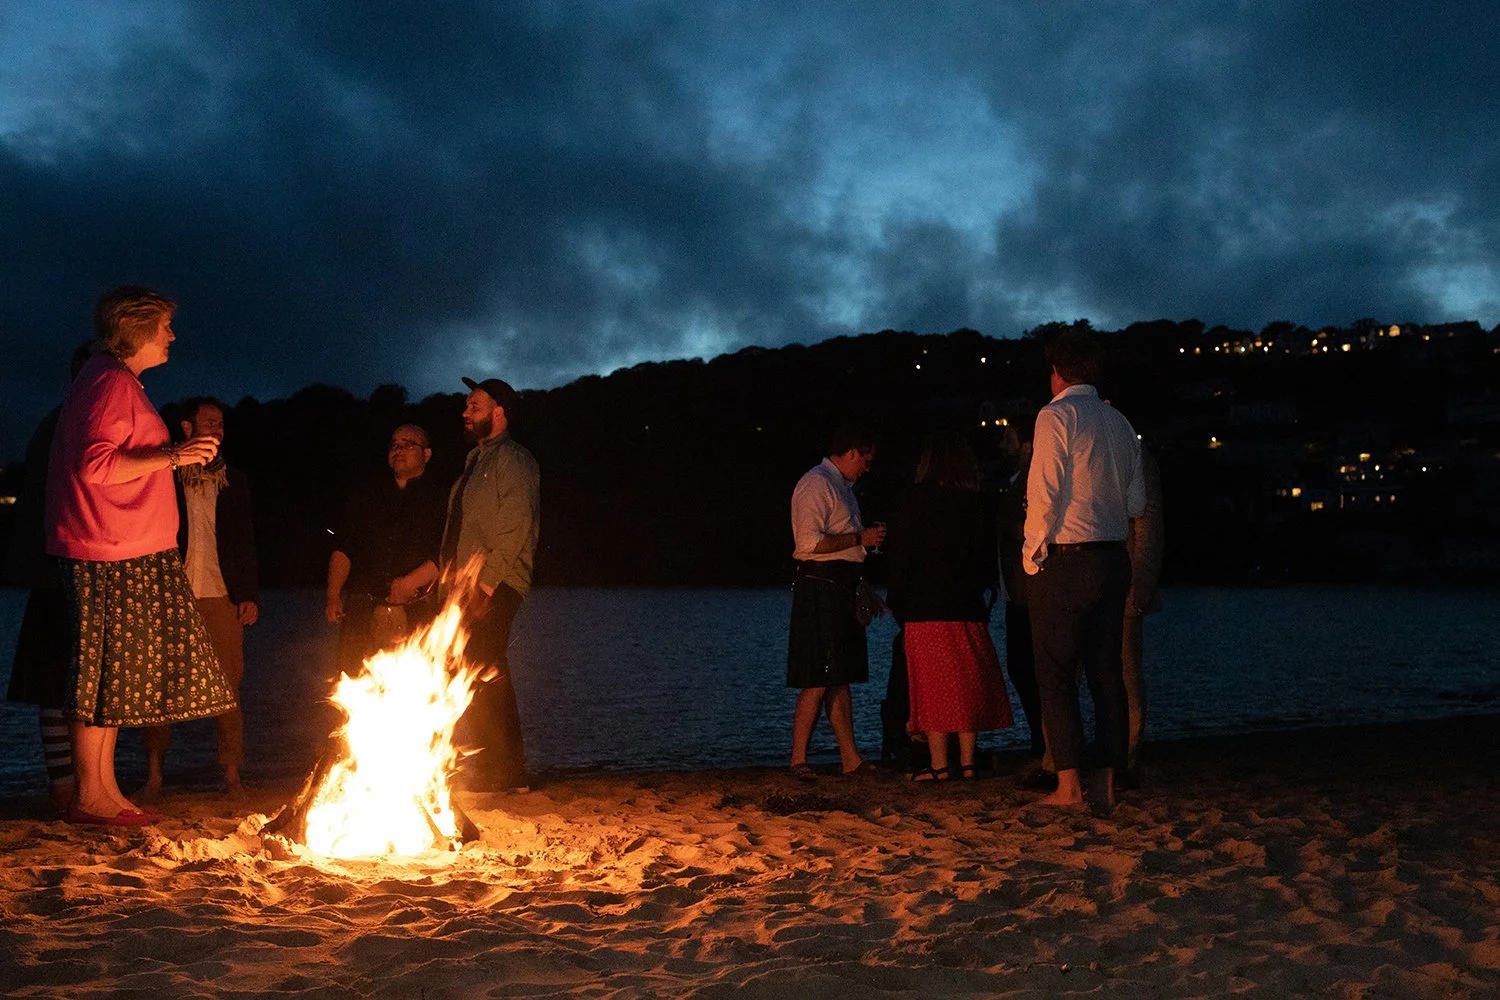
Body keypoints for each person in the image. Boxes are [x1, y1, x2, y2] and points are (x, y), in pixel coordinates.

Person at [45, 286, 237, 826]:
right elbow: (95, 466)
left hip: (122, 545)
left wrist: (173, 457)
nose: (172, 336)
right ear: (137, 329)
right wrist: (173, 455)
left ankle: (103, 790)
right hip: (108, 547)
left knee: (114, 672)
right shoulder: (108, 381)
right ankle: (91, 795)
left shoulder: (112, 380)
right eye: (165, 327)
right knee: (101, 670)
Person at [1023, 330, 1145, 814]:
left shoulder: (1055, 416)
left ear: (1057, 373)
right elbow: (1136, 501)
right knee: (1106, 675)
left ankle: (1069, 787)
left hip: (1068, 558)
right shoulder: (1119, 422)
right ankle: (1107, 786)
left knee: (1054, 674)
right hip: (1112, 557)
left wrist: (1032, 553)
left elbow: (1045, 489)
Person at [141, 397, 259, 799]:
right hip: (172, 592)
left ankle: (231, 776)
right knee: (159, 686)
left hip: (220, 594)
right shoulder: (163, 475)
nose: (218, 430)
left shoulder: (234, 480)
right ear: (187, 429)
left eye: (222, 424)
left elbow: (244, 541)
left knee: (229, 686)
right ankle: (155, 775)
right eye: (209, 422)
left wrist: (249, 595)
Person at [885, 433, 1011, 780]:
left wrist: (897, 600)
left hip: (925, 607)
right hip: (967, 606)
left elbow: (901, 558)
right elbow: (988, 560)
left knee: (932, 687)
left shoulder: (913, 501)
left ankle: (939, 765)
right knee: (964, 683)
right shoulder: (976, 503)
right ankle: (968, 762)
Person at [4, 342, 94, 814]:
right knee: (63, 683)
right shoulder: (72, 421)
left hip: (53, 568)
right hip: (63, 568)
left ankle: (71, 786)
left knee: (58, 683)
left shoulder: (59, 420)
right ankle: (69, 787)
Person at [441, 377, 540, 792]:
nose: (466, 412)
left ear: (499, 411)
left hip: (493, 582)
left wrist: (486, 582)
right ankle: (496, 769)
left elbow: (515, 524)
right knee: (472, 669)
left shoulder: (513, 460)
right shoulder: (475, 460)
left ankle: (507, 771)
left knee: (485, 665)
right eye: (467, 405)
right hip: (466, 582)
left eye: (475, 405)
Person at [786, 422, 887, 779]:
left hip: (839, 586)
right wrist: (861, 537)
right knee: (817, 675)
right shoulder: (816, 484)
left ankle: (850, 759)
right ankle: (798, 760)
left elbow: (842, 548)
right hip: (820, 588)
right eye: (866, 460)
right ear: (852, 453)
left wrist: (865, 588)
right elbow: (809, 545)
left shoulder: (841, 488)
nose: (867, 468)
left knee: (838, 675)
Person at [325, 423, 447, 674]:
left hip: (417, 611)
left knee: (415, 689)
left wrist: (409, 583)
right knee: (354, 683)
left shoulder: (442, 497)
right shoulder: (366, 495)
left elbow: (447, 551)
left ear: (427, 454)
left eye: (408, 444)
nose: (398, 449)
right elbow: (344, 547)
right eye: (394, 445)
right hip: (361, 610)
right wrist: (333, 594)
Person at [996, 420, 1050, 784]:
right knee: (1023, 669)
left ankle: (1043, 744)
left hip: (1028, 593)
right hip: (1016, 591)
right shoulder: (1015, 483)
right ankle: (1041, 741)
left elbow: (1025, 528)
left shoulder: (1030, 482)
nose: (1002, 444)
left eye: (1009, 438)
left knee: (1028, 669)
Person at [1121, 443, 1165, 784]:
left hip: (1123, 580)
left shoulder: (1136, 455)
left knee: (1127, 671)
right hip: (1093, 575)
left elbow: (1147, 526)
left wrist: (1143, 579)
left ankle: (1130, 756)